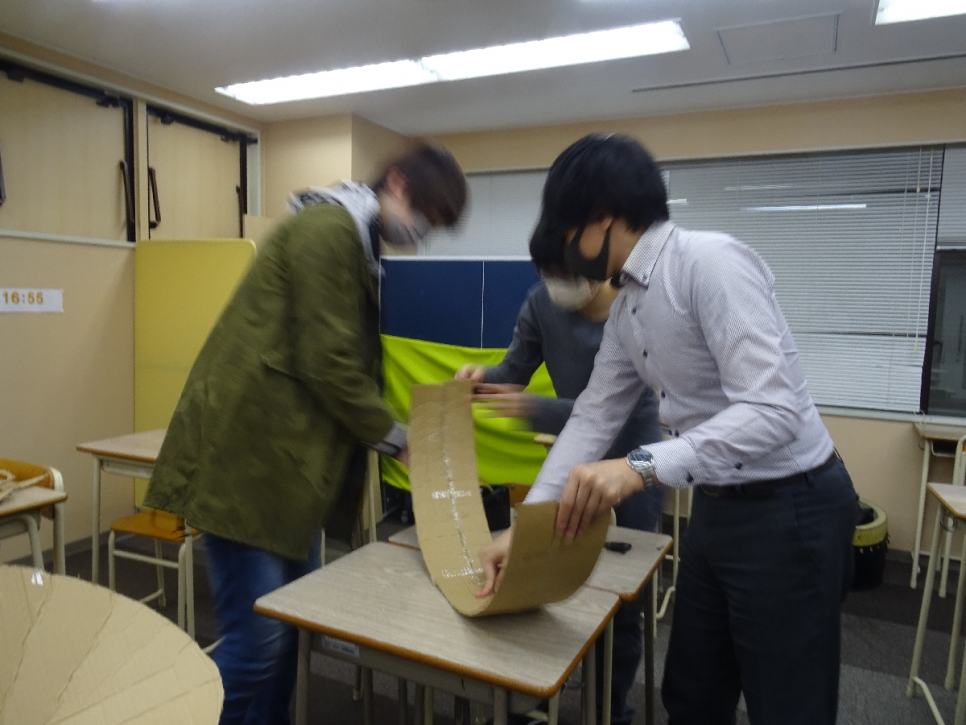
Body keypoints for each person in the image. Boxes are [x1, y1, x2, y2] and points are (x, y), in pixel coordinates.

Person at [478, 134, 858, 725]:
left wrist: (639, 467)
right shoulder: (628, 307)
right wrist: (528, 528)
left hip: (791, 507)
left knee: (788, 705)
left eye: (567, 231)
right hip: (717, 505)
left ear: (604, 218)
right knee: (692, 694)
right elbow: (594, 415)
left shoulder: (709, 263)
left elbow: (773, 410)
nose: (566, 250)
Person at [144, 142, 467, 725]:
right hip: (246, 461)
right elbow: (329, 362)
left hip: (281, 465)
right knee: (258, 643)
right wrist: (398, 437)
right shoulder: (329, 231)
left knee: (291, 627)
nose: (421, 232)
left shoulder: (357, 241)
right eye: (426, 215)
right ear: (397, 183)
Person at [455, 274, 663, 725]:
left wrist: (536, 408)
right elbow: (512, 373)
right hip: (578, 453)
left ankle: (610, 710)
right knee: (544, 576)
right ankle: (529, 702)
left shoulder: (633, 310)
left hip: (633, 459)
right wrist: (481, 378)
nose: (556, 282)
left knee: (621, 596)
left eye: (565, 270)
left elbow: (615, 408)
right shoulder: (540, 303)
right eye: (547, 270)